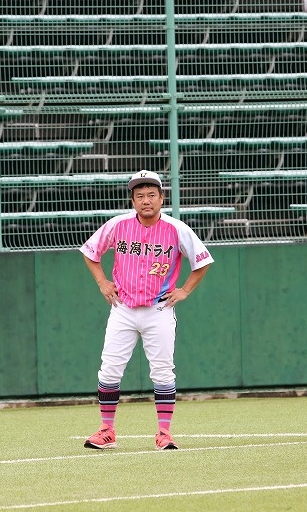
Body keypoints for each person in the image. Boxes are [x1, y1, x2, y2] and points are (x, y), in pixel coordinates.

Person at [80, 170, 214, 450]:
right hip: (123, 308)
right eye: (139, 195)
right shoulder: (118, 225)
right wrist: (102, 282)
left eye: (152, 194)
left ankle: (164, 433)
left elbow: (202, 261)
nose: (146, 200)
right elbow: (90, 251)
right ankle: (106, 430)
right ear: (133, 201)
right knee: (109, 370)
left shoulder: (176, 229)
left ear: (162, 198)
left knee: (163, 372)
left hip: (159, 308)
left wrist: (185, 290)